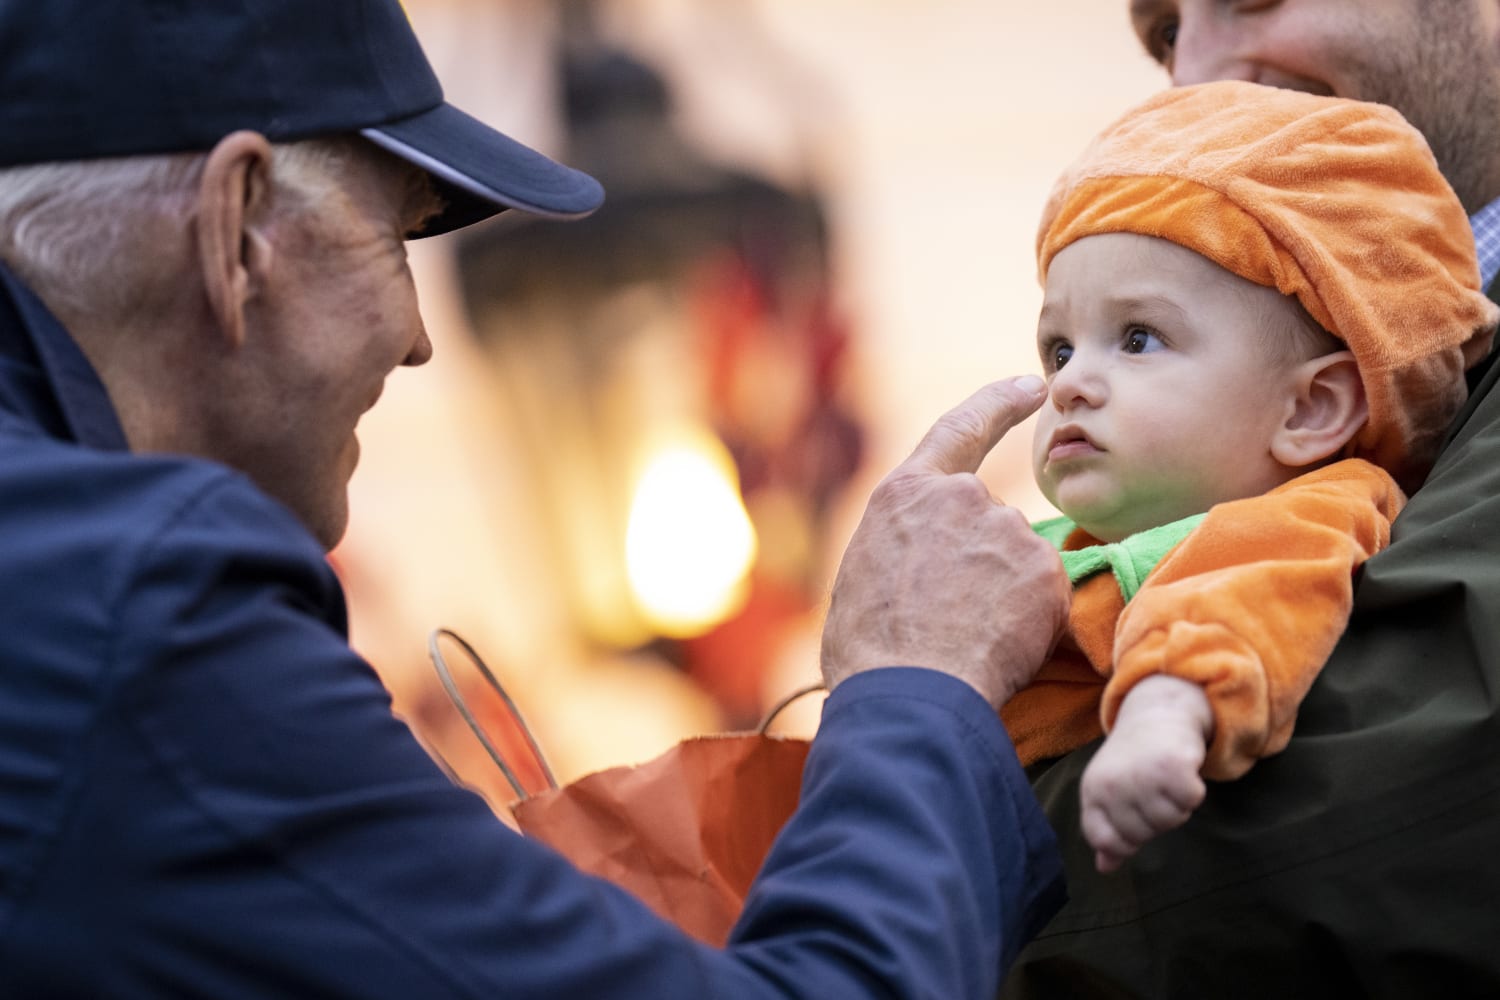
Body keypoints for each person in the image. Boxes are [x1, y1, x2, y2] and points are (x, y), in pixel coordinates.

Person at [0, 2, 1072, 997]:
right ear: (237, 232)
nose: (419, 338)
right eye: (398, 231)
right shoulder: (135, 605)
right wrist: (920, 681)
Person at [1002, 3, 1500, 995]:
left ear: (1320, 404)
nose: (1196, 69)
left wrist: (894, 857)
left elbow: (1374, 818)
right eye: (1162, 35)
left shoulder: (1301, 506)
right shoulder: (1202, 449)